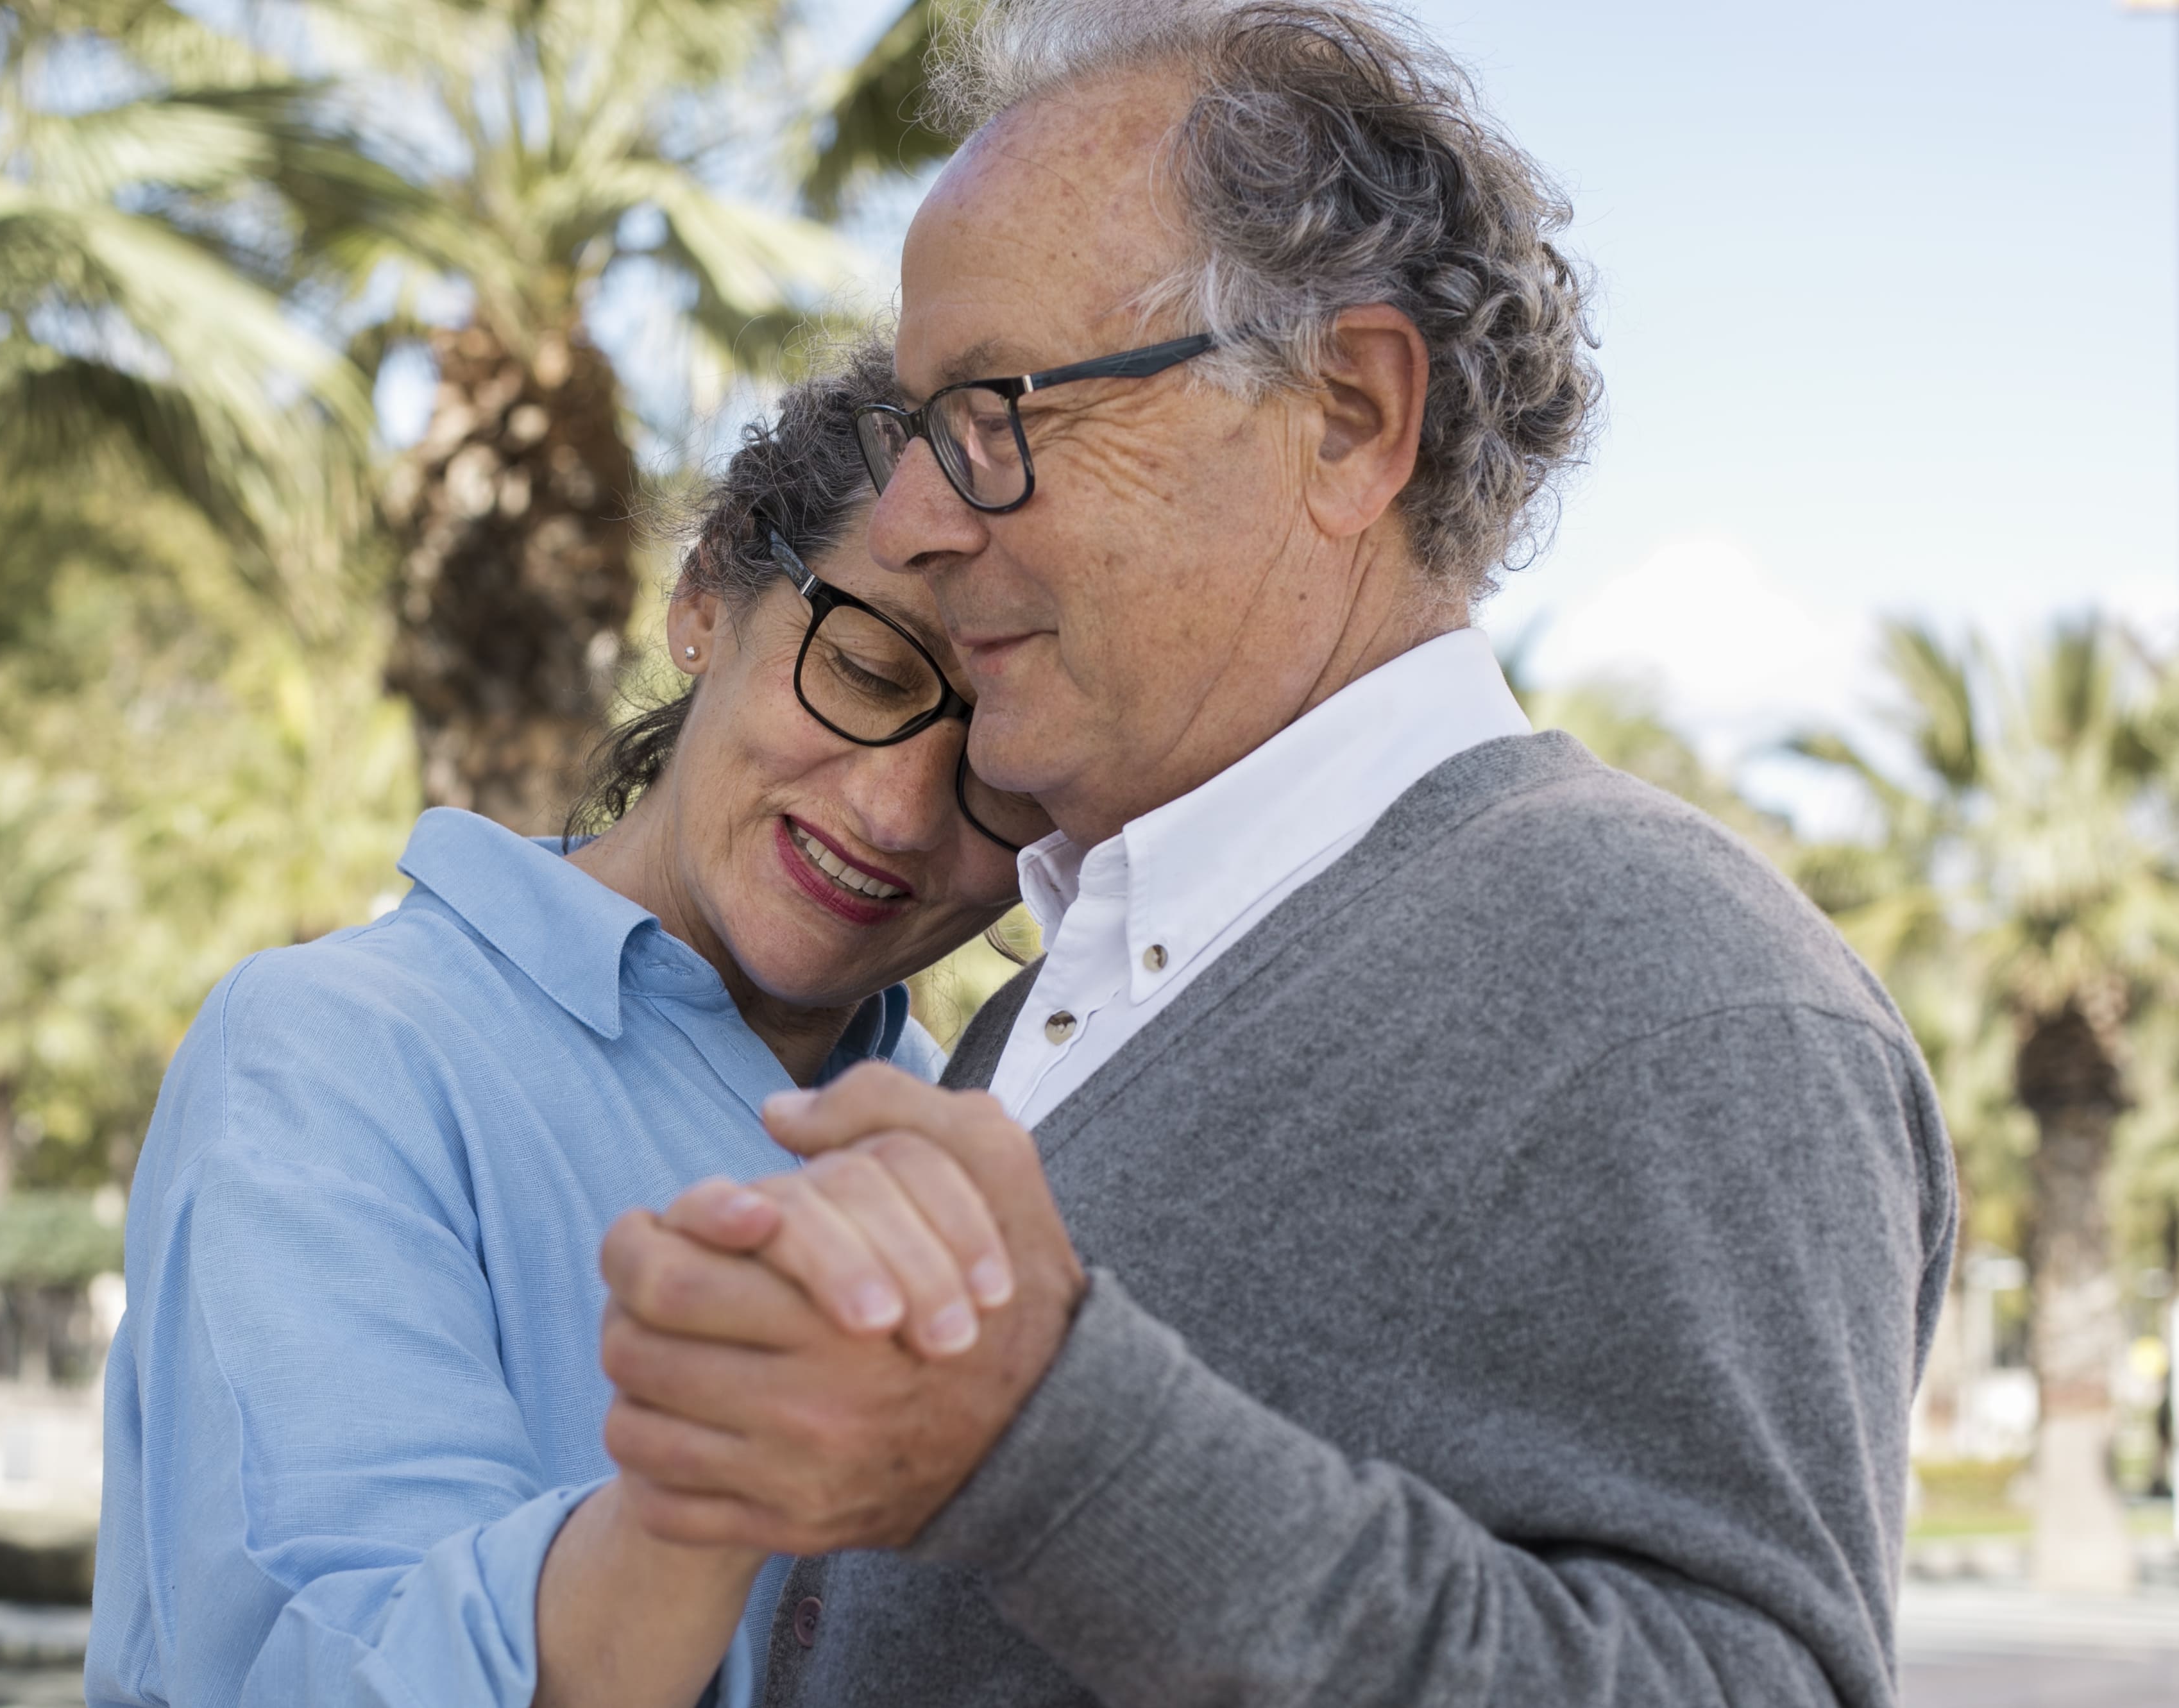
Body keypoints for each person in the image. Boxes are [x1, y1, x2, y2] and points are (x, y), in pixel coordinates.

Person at [595, 4, 1959, 1705]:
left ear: (1347, 415)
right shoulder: (1047, 1000)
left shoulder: (1675, 987)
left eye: (993, 414)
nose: (925, 522)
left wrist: (1043, 1445)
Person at [83, 343, 1052, 1708]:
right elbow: (332, 1671)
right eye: (870, 669)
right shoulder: (333, 1050)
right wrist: (720, 1468)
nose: (894, 811)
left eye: (999, 763)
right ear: (705, 595)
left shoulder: (980, 1141)